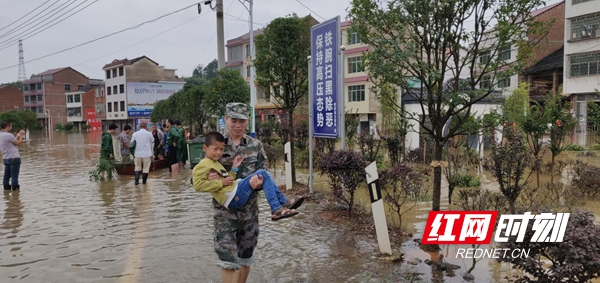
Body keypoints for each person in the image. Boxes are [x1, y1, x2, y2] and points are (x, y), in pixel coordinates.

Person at [203, 102, 302, 283]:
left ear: (248, 121)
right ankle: (281, 205)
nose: (238, 125)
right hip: (224, 212)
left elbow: (264, 173)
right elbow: (197, 176)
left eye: (242, 121)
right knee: (227, 260)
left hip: (249, 212)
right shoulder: (215, 144)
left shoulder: (255, 145)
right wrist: (210, 179)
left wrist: (257, 184)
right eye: (234, 120)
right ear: (226, 119)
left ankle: (280, 205)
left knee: (246, 257)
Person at [192, 131, 303, 218]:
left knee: (264, 174)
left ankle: (283, 203)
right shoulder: (203, 165)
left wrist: (234, 168)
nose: (219, 152)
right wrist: (220, 182)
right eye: (215, 149)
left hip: (234, 192)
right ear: (205, 148)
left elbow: (228, 180)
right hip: (231, 196)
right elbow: (198, 185)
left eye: (221, 149)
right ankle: (277, 208)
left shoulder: (214, 162)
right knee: (263, 173)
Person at [0, 121, 25, 191]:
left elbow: (10, 142)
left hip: (5, 158)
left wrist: (17, 136)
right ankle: (15, 194)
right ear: (7, 127)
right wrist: (21, 135)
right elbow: (18, 143)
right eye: (11, 126)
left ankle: (6, 192)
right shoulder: (8, 135)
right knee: (14, 176)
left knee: (6, 176)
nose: (11, 128)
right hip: (14, 158)